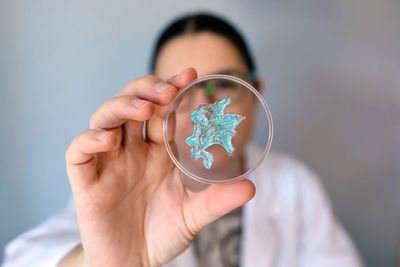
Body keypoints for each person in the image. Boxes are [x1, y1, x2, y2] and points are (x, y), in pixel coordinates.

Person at [2, 13, 364, 267]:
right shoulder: (116, 188)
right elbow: (25, 259)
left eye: (223, 84)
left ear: (255, 92)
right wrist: (100, 263)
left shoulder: (295, 186)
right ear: (156, 103)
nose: (205, 108)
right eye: (181, 90)